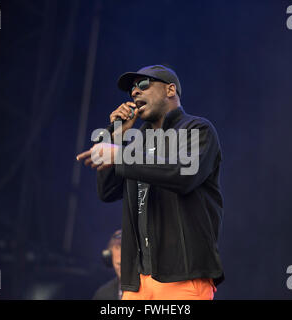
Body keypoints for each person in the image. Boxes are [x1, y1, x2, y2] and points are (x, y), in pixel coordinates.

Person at [77, 65, 224, 300]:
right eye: (132, 89)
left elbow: (183, 174)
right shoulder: (135, 144)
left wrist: (119, 154)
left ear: (170, 89)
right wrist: (117, 136)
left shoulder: (197, 129)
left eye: (143, 84)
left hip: (182, 278)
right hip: (137, 281)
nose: (135, 92)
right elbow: (107, 191)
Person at [92, 230, 123, 300]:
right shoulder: (102, 295)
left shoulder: (150, 290)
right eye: (117, 248)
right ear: (109, 255)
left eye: (126, 248)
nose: (121, 255)